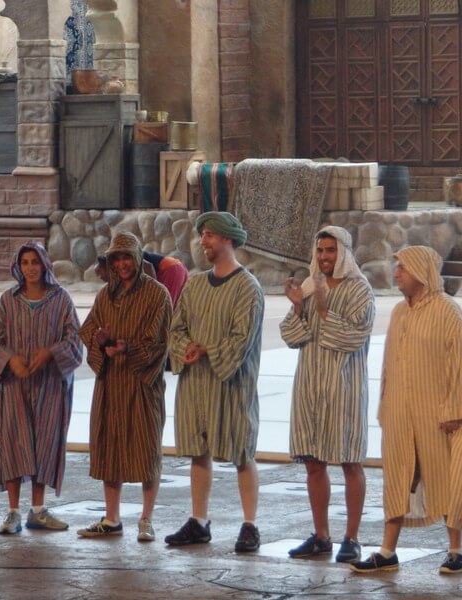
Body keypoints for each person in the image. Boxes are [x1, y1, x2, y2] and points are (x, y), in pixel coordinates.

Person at [351, 246, 462, 575]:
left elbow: (459, 365)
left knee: (447, 479)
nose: (396, 273)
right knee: (397, 478)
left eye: (402, 268)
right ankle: (387, 551)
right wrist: (385, 407)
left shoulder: (448, 311)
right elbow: (388, 363)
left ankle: (456, 550)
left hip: (438, 415)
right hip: (399, 412)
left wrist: (455, 409)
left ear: (421, 272)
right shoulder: (399, 311)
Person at [165, 211, 264, 553]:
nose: (203, 241)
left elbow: (242, 338)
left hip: (231, 384)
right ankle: (199, 520)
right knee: (198, 451)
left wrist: (207, 349)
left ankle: (250, 524)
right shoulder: (194, 284)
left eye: (208, 235)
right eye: (202, 235)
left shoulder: (247, 287)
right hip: (195, 384)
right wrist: (186, 348)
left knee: (241, 451)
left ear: (226, 239)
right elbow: (176, 328)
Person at [280, 227, 374, 563]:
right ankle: (321, 536)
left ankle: (352, 537)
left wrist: (322, 309)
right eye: (320, 250)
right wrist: (298, 307)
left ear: (343, 252)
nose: (323, 257)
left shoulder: (360, 289)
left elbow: (353, 337)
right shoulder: (310, 285)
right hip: (309, 385)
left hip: (343, 387)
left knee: (350, 461)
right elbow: (292, 337)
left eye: (330, 250)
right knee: (313, 463)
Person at [0, 241, 82, 534]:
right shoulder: (9, 300)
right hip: (15, 386)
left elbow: (75, 339)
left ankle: (38, 509)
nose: (30, 268)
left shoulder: (60, 300)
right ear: (18, 267)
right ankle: (13, 511)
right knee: (13, 442)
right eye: (25, 263)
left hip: (49, 386)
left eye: (35, 262)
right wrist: (9, 359)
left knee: (44, 444)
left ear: (45, 264)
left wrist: (51, 352)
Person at [78, 232, 171, 542]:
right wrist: (102, 343)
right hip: (110, 383)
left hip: (141, 384)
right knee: (109, 447)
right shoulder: (105, 296)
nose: (122, 264)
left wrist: (127, 348)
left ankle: (146, 518)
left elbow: (160, 342)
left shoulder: (157, 294)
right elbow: (89, 331)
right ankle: (111, 517)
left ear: (138, 258)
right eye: (116, 258)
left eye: (127, 257)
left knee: (147, 450)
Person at [95, 251, 189, 308]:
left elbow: (148, 265)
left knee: (164, 309)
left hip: (171, 269)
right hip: (175, 269)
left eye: (99, 271)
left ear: (105, 265)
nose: (99, 276)